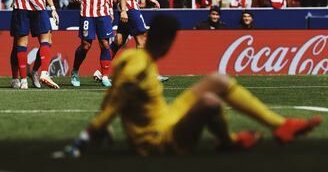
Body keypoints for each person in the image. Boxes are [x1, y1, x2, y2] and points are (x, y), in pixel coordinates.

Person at [58, 15, 321, 158]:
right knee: (210, 102)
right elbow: (113, 106)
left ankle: (280, 126)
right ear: (168, 43)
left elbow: (111, 97)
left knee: (217, 80)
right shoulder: (138, 71)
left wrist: (104, 123)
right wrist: (81, 142)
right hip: (157, 140)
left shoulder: (131, 57)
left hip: (167, 118)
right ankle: (229, 141)